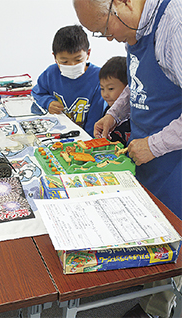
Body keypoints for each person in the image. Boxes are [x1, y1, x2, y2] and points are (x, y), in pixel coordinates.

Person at [73, 1, 182, 317]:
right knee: (155, 234)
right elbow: (138, 84)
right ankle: (151, 296)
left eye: (105, 29)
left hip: (173, 160)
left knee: (174, 242)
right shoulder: (135, 26)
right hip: (150, 158)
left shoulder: (173, 25)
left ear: (121, 3)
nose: (109, 38)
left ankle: (159, 308)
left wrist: (155, 145)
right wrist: (115, 115)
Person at [32, 25, 106, 137]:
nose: (72, 65)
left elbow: (96, 118)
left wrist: (87, 139)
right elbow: (37, 92)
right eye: (64, 61)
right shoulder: (51, 73)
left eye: (78, 60)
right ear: (55, 58)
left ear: (88, 54)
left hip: (85, 136)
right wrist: (48, 102)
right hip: (57, 133)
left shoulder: (99, 78)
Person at [99, 56, 131, 146]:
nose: (105, 94)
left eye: (110, 88)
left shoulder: (135, 116)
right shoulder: (109, 112)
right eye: (102, 88)